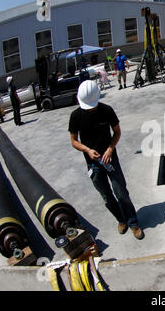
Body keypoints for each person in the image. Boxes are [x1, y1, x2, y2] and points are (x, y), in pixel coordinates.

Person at [68, 80, 144, 240]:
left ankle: (133, 223)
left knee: (121, 192)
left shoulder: (106, 111)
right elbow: (74, 140)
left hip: (110, 159)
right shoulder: (75, 116)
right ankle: (121, 219)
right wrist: (87, 150)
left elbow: (117, 132)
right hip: (93, 163)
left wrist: (110, 149)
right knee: (106, 196)